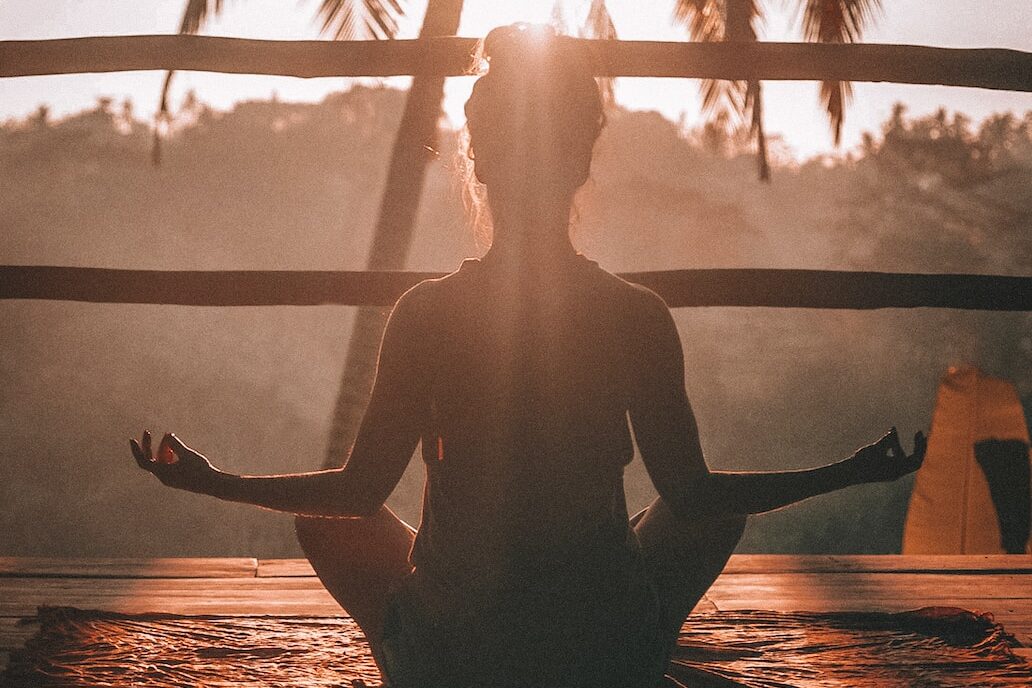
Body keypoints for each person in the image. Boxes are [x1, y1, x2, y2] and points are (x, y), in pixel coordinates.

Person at [130, 24, 927, 688]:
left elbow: (357, 490)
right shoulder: (633, 315)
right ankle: (637, 652)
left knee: (327, 522)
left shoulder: (428, 314)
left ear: (477, 156)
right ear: (583, 158)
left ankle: (413, 658)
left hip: (458, 659)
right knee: (711, 514)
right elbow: (693, 492)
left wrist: (210, 480)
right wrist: (850, 470)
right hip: (600, 655)